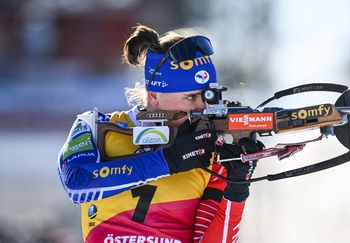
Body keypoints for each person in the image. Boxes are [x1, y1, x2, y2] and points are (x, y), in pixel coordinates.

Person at [57, 24, 263, 243]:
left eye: (206, 97)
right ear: (154, 95)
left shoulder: (211, 150)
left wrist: (238, 187)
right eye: (190, 97)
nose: (201, 107)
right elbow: (76, 183)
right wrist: (170, 160)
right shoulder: (93, 124)